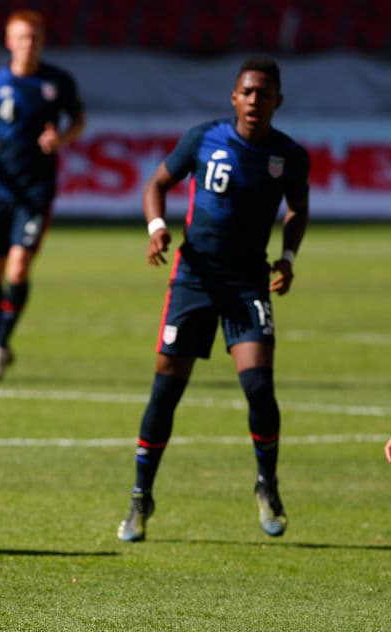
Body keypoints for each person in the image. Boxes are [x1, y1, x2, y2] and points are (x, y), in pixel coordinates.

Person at [117, 57, 310, 542]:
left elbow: (298, 208)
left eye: (264, 93)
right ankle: (141, 496)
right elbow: (157, 184)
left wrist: (286, 257)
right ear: (234, 97)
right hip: (194, 279)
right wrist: (157, 227)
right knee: (167, 388)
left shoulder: (288, 154)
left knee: (259, 387)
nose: (254, 100)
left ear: (277, 102)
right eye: (247, 91)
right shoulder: (204, 138)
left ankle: (267, 483)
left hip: (247, 283)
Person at [0, 9, 86, 384]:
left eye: (35, 37)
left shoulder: (58, 82)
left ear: (42, 41)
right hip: (0, 188)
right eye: (22, 37)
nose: (29, 43)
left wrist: (61, 139)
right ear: (10, 42)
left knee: (19, 267)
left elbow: (79, 120)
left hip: (38, 188)